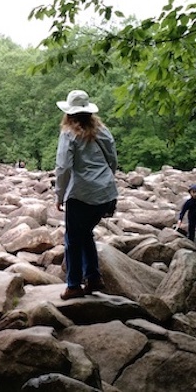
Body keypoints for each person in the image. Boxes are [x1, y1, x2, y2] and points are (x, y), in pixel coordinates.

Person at [54, 90, 118, 300]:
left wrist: (59, 195)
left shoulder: (68, 134)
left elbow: (63, 167)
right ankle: (93, 277)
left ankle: (73, 285)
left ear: (69, 114)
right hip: (105, 194)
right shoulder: (103, 131)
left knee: (72, 239)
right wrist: (105, 182)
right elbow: (113, 161)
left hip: (81, 194)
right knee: (86, 233)